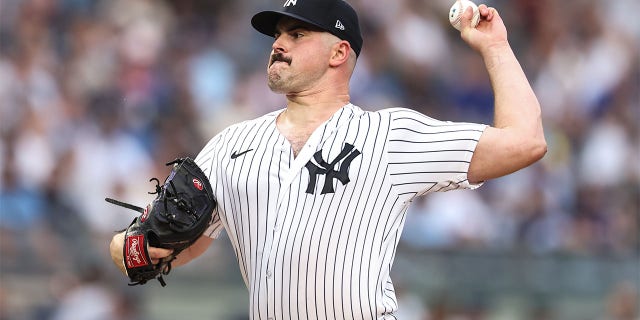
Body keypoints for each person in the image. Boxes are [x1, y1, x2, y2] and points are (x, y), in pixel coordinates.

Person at [109, 0, 547, 318]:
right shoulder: (230, 145)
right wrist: (135, 247)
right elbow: (164, 249)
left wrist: (495, 48)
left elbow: (525, 141)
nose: (279, 44)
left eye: (297, 34)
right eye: (278, 35)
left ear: (339, 52)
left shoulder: (389, 135)